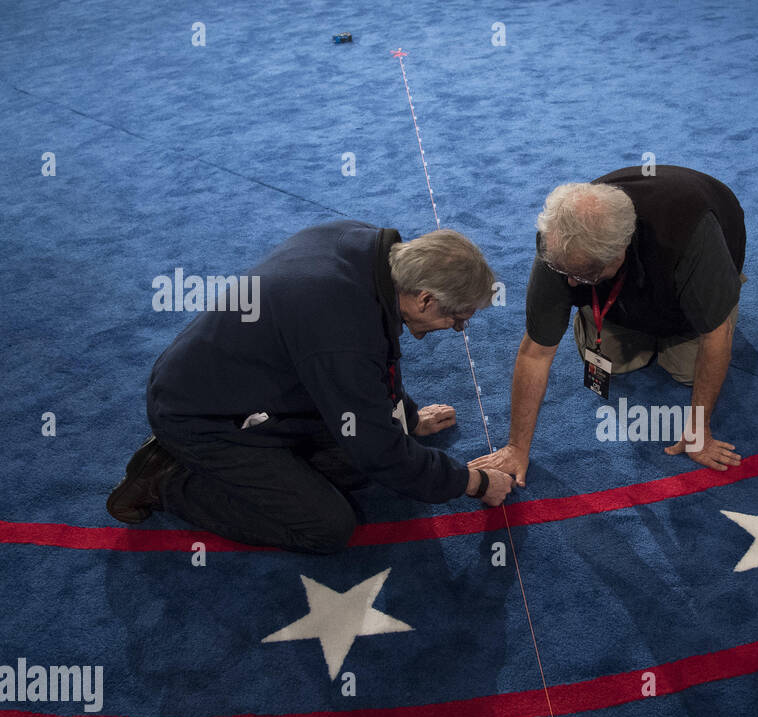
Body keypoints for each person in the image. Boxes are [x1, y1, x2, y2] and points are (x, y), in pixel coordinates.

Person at [107, 220, 514, 554]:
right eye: (458, 319)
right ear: (425, 300)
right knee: (327, 526)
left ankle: (253, 467)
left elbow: (378, 359)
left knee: (364, 455)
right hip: (199, 417)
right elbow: (380, 451)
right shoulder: (342, 332)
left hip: (232, 382)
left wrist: (406, 416)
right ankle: (167, 481)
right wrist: (471, 482)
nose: (457, 329)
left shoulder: (364, 248)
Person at [469, 165, 747, 486]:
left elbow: (717, 336)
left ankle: (719, 294)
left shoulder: (690, 235)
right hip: (621, 288)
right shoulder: (559, 245)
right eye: (565, 273)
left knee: (687, 371)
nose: (571, 282)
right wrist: (516, 447)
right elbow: (535, 353)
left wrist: (699, 429)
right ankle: (606, 310)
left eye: (583, 276)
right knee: (611, 362)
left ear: (619, 254)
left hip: (688, 266)